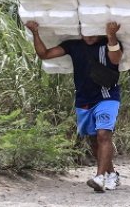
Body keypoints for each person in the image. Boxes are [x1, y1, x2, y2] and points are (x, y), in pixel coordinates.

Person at [25, 20, 124, 192]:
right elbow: (45, 54)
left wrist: (111, 35)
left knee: (103, 135)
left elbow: (116, 59)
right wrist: (35, 32)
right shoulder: (73, 45)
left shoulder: (109, 43)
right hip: (84, 100)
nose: (90, 36)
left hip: (107, 96)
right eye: (87, 32)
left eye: (94, 32)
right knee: (94, 140)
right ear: (81, 30)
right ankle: (112, 175)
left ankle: (100, 178)